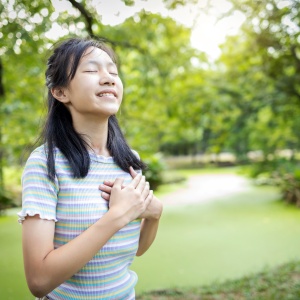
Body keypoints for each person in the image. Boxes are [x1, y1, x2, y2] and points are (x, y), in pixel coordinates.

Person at [18, 37, 163, 300]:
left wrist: (154, 215)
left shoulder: (129, 159)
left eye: (113, 71)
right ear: (61, 92)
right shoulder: (46, 163)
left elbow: (135, 248)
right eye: (92, 70)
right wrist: (117, 216)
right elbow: (39, 281)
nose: (108, 78)